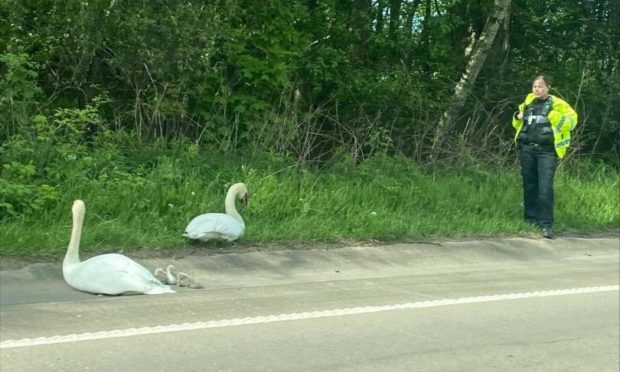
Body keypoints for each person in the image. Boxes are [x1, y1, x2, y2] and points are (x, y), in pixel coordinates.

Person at [512, 75, 578, 239]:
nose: (537, 89)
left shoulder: (558, 104)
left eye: (540, 86)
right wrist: (516, 117)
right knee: (529, 184)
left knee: (545, 187)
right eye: (534, 86)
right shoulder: (528, 102)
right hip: (527, 149)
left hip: (547, 151)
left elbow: (572, 122)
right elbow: (519, 124)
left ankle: (546, 224)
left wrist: (555, 116)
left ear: (548, 87)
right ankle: (530, 219)